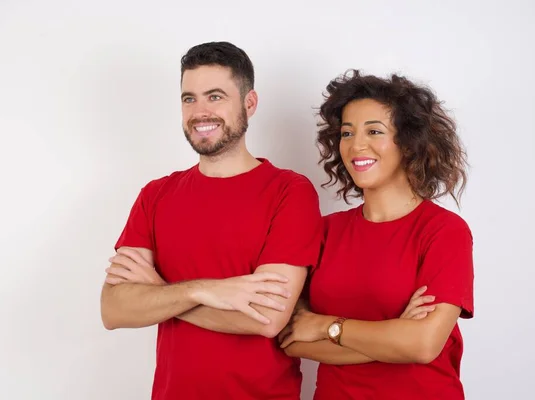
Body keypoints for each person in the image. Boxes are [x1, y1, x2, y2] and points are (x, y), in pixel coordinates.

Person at [99, 41, 325, 400]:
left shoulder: (290, 191)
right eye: (189, 98)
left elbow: (266, 319)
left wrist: (159, 292)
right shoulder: (156, 194)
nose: (200, 111)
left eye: (215, 96)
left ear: (249, 103)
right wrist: (202, 290)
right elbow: (114, 309)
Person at [278, 70, 474, 399]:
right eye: (346, 133)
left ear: (408, 143)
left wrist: (327, 327)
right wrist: (395, 336)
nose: (356, 145)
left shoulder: (444, 231)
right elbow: (291, 339)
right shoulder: (326, 231)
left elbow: (424, 346)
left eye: (374, 131)